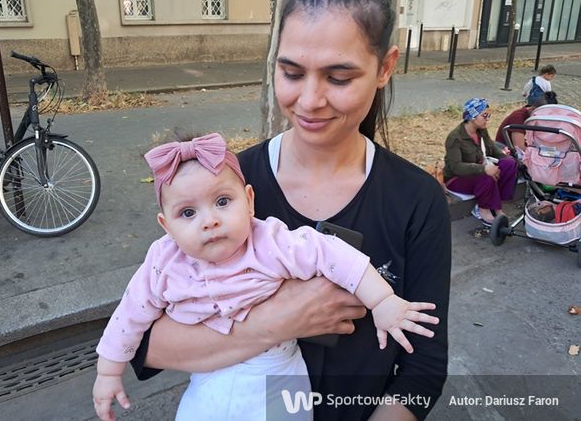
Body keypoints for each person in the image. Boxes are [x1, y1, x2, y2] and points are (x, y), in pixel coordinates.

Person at [130, 0, 451, 421]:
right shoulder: (219, 192)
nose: (310, 100)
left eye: (339, 77)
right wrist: (275, 323)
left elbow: (423, 366)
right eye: (292, 72)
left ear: (385, 67)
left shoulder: (417, 200)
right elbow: (144, 344)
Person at [92, 133, 439, 421]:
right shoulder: (163, 262)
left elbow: (331, 253)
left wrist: (381, 299)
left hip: (278, 371)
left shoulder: (269, 242)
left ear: (249, 201)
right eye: (187, 212)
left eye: (223, 202)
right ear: (166, 226)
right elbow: (130, 315)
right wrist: (108, 371)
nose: (209, 220)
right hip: (209, 376)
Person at [444, 98, 518, 226]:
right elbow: (456, 167)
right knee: (486, 176)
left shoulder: (481, 131)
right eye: (484, 115)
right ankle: (482, 208)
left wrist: (507, 159)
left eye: (488, 115)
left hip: (477, 170)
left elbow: (492, 150)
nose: (488, 118)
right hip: (456, 178)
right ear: (472, 117)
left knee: (510, 164)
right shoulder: (455, 138)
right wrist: (483, 169)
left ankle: (497, 203)